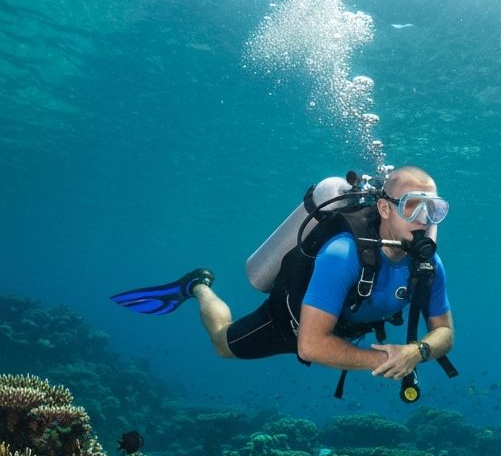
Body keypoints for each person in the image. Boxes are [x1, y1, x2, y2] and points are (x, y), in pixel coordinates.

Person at [112, 166, 454, 393]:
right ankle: (197, 285)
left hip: (344, 328)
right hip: (289, 322)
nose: (424, 220)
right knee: (221, 344)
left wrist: (417, 350)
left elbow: (445, 333)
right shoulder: (343, 255)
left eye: (434, 209)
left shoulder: (427, 265)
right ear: (384, 209)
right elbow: (311, 345)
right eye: (412, 207)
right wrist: (388, 360)